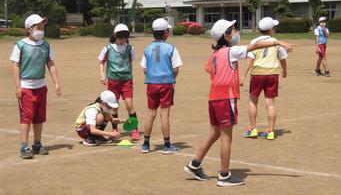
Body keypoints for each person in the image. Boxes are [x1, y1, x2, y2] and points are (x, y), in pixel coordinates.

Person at [184, 19, 293, 187]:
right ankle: (224, 175)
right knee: (226, 137)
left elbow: (209, 70)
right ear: (226, 36)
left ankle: (194, 164)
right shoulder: (230, 51)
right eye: (233, 30)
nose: (236, 32)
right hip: (225, 98)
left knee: (214, 133)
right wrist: (278, 42)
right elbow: (255, 47)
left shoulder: (215, 54)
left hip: (213, 98)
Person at [10, 14, 62, 159]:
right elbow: (15, 65)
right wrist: (17, 86)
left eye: (42, 26)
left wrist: (56, 82)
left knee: (39, 117)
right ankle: (24, 146)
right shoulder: (20, 45)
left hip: (41, 86)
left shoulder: (46, 45)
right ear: (29, 29)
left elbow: (50, 63)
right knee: (26, 117)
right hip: (26, 86)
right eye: (38, 26)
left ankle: (37, 144)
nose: (41, 29)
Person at [240, 17, 288, 141]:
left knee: (253, 101)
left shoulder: (255, 41)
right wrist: (284, 71)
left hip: (257, 74)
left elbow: (250, 59)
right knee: (270, 103)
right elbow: (283, 59)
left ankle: (253, 128)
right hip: (272, 74)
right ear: (271, 29)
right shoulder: (276, 42)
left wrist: (244, 75)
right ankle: (271, 131)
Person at [140, 18, 183, 154]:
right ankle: (167, 144)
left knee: (151, 113)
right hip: (166, 84)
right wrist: (170, 78)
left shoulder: (147, 49)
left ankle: (146, 144)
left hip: (151, 84)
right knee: (164, 114)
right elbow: (176, 69)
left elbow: (145, 69)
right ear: (166, 33)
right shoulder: (171, 48)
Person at [98, 24, 140, 141]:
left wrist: (130, 75)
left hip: (126, 80)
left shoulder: (130, 48)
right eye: (120, 37)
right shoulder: (108, 48)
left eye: (125, 38)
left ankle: (135, 129)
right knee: (114, 106)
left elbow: (130, 62)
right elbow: (102, 62)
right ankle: (115, 129)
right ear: (115, 36)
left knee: (129, 105)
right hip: (112, 81)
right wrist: (102, 75)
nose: (122, 40)